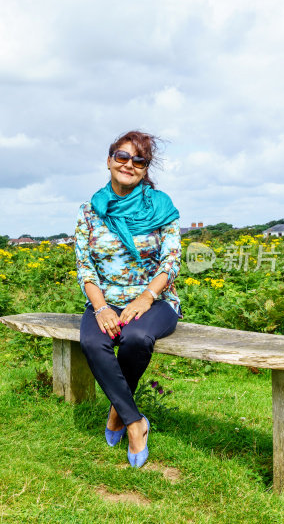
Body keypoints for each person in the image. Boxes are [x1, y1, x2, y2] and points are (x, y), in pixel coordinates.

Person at [75, 130, 181, 468]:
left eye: (139, 160)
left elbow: (171, 262)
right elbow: (85, 267)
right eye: (122, 156)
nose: (129, 164)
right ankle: (135, 421)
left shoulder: (161, 207)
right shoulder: (90, 212)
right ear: (109, 161)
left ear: (145, 168)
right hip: (104, 301)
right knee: (94, 341)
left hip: (156, 300)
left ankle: (116, 412)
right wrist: (101, 307)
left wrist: (147, 298)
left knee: (136, 336)